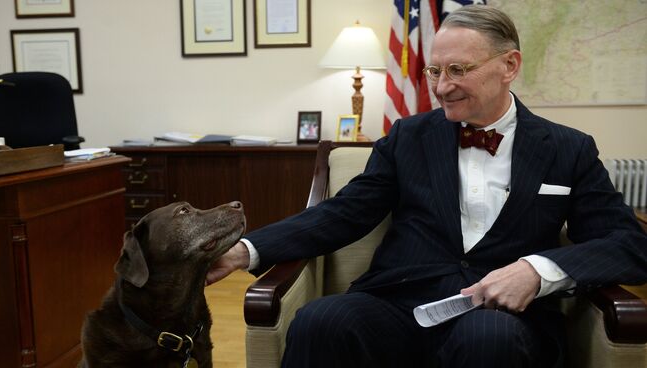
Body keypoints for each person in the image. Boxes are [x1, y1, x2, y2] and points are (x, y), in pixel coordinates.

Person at [207, 5, 647, 367]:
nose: (441, 87)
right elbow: (344, 213)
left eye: (458, 69)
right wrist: (245, 250)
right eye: (434, 71)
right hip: (399, 303)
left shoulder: (568, 149)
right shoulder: (406, 137)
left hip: (501, 318)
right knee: (322, 320)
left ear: (509, 65)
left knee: (488, 338)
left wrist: (537, 270)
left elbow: (629, 244)